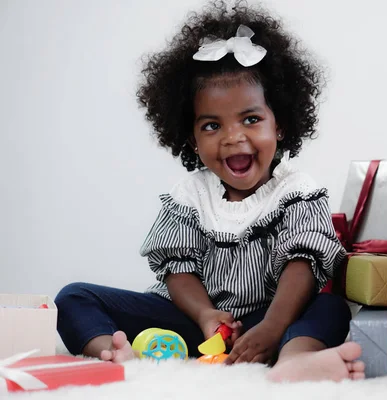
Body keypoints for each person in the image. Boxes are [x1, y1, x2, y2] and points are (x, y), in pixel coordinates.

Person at [55, 0, 365, 383]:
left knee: (331, 307)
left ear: (280, 125)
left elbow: (301, 266)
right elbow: (178, 268)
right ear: (191, 137)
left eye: (251, 119)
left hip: (268, 319)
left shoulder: (296, 190)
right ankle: (117, 354)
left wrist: (271, 327)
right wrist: (204, 315)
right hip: (192, 323)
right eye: (211, 126)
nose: (233, 137)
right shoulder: (189, 195)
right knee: (73, 296)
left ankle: (293, 360)